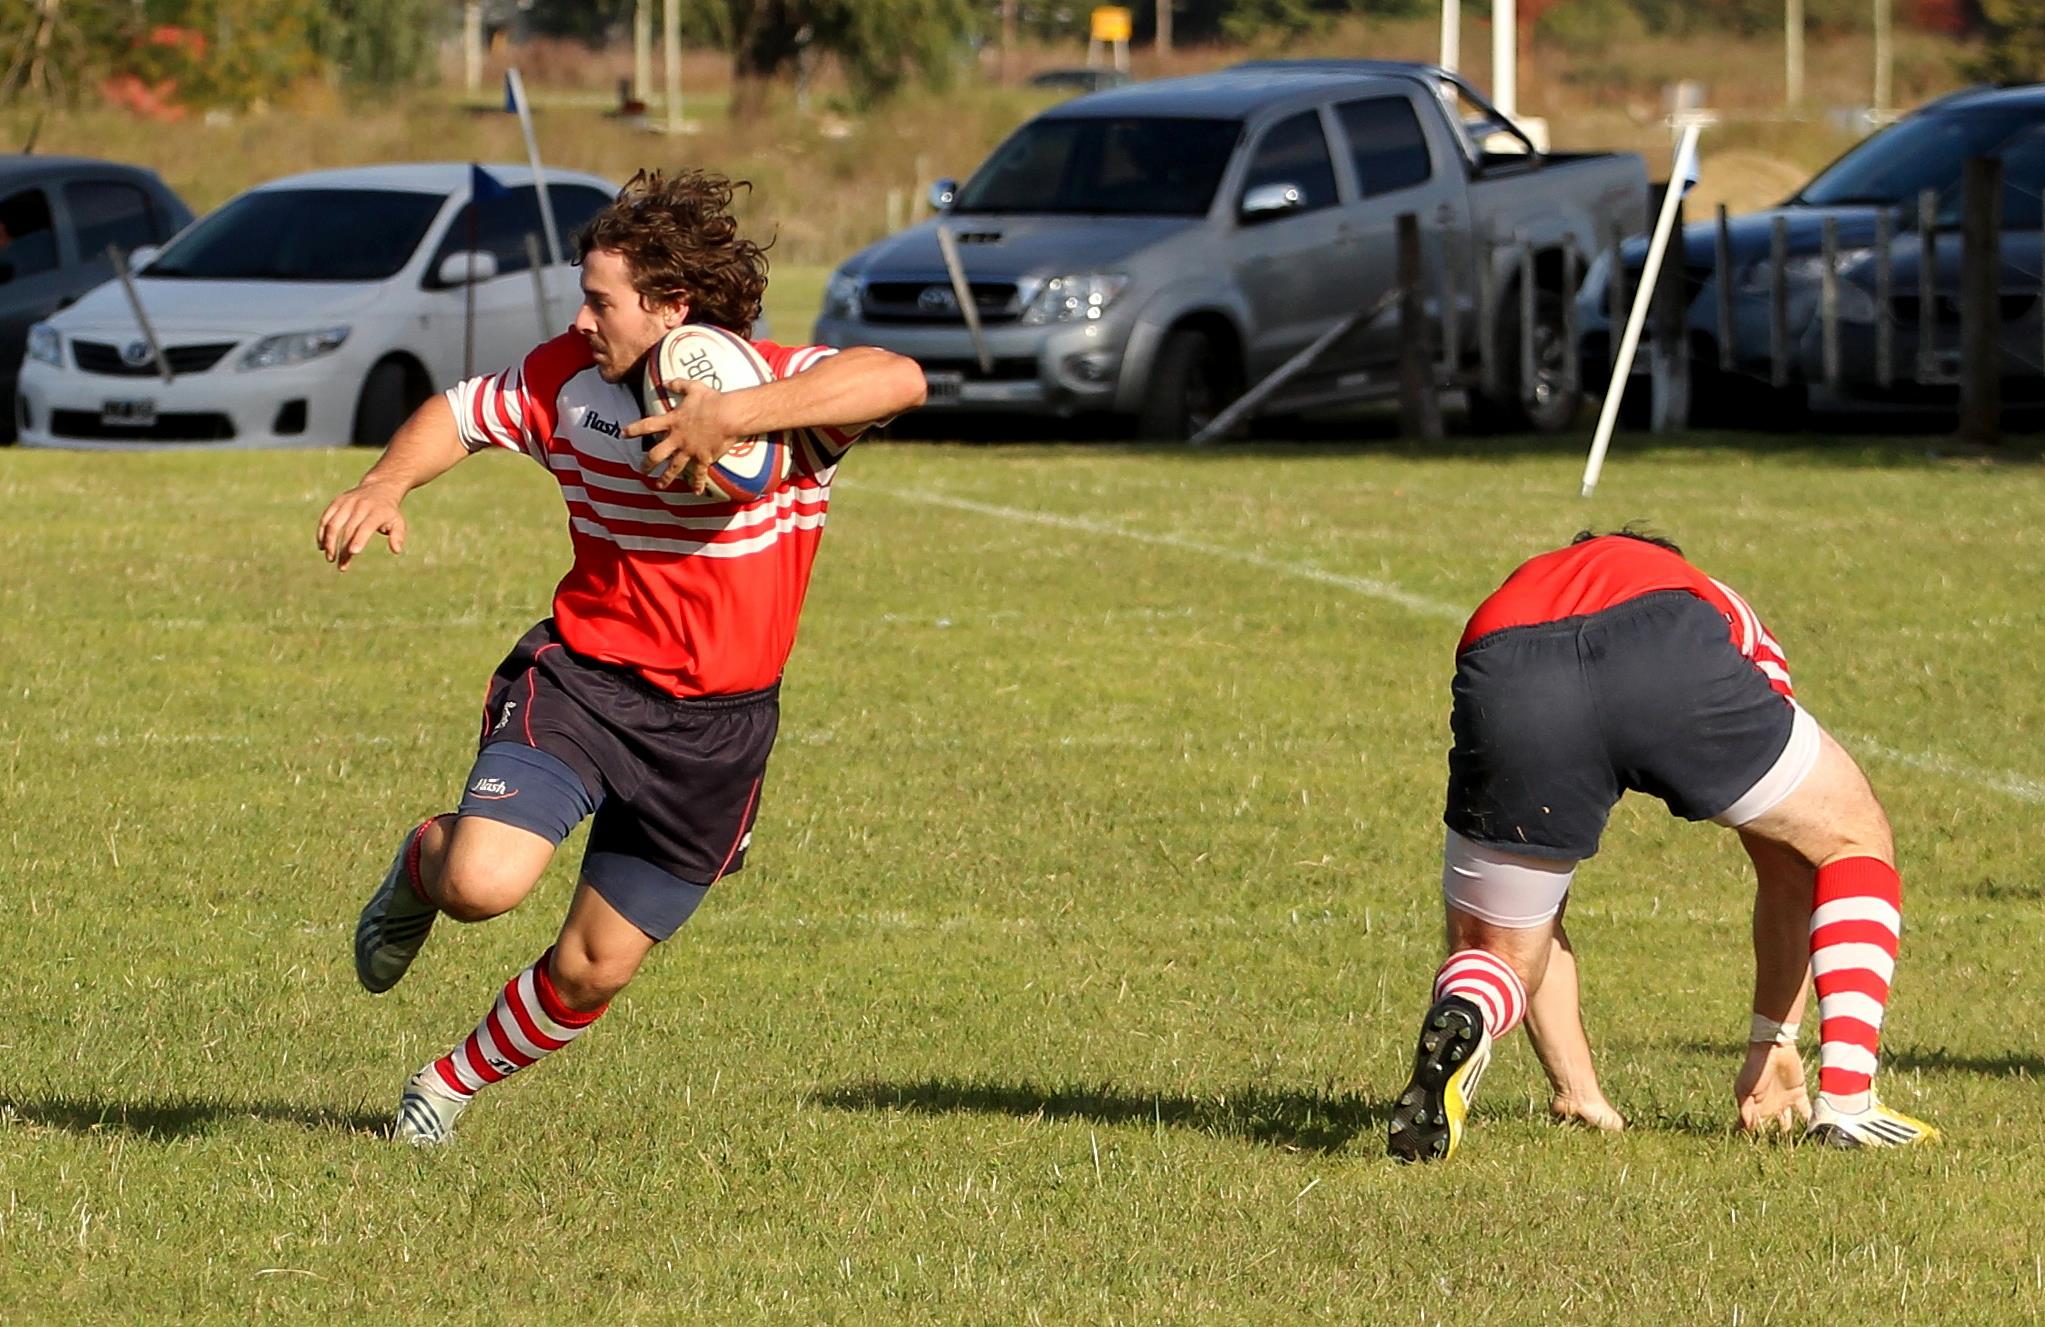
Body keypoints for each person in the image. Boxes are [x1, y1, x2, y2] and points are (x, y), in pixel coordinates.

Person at [314, 169, 926, 1144]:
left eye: (600, 300)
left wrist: (731, 418)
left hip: (716, 729)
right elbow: (461, 413)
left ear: (671, 304)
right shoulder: (565, 375)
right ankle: (422, 868)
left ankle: (446, 1085)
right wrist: (386, 483)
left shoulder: (779, 395)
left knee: (592, 966)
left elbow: (899, 377)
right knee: (480, 884)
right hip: (585, 683)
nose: (580, 317)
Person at [1386, 530, 1938, 1162]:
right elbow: (1791, 860)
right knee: (1849, 838)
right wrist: (1773, 1040)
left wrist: (1580, 1093)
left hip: (1511, 663)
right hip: (1664, 644)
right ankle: (1848, 1103)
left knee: (1500, 949)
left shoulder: (1532, 580)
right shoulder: (1708, 596)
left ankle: (1472, 1010)